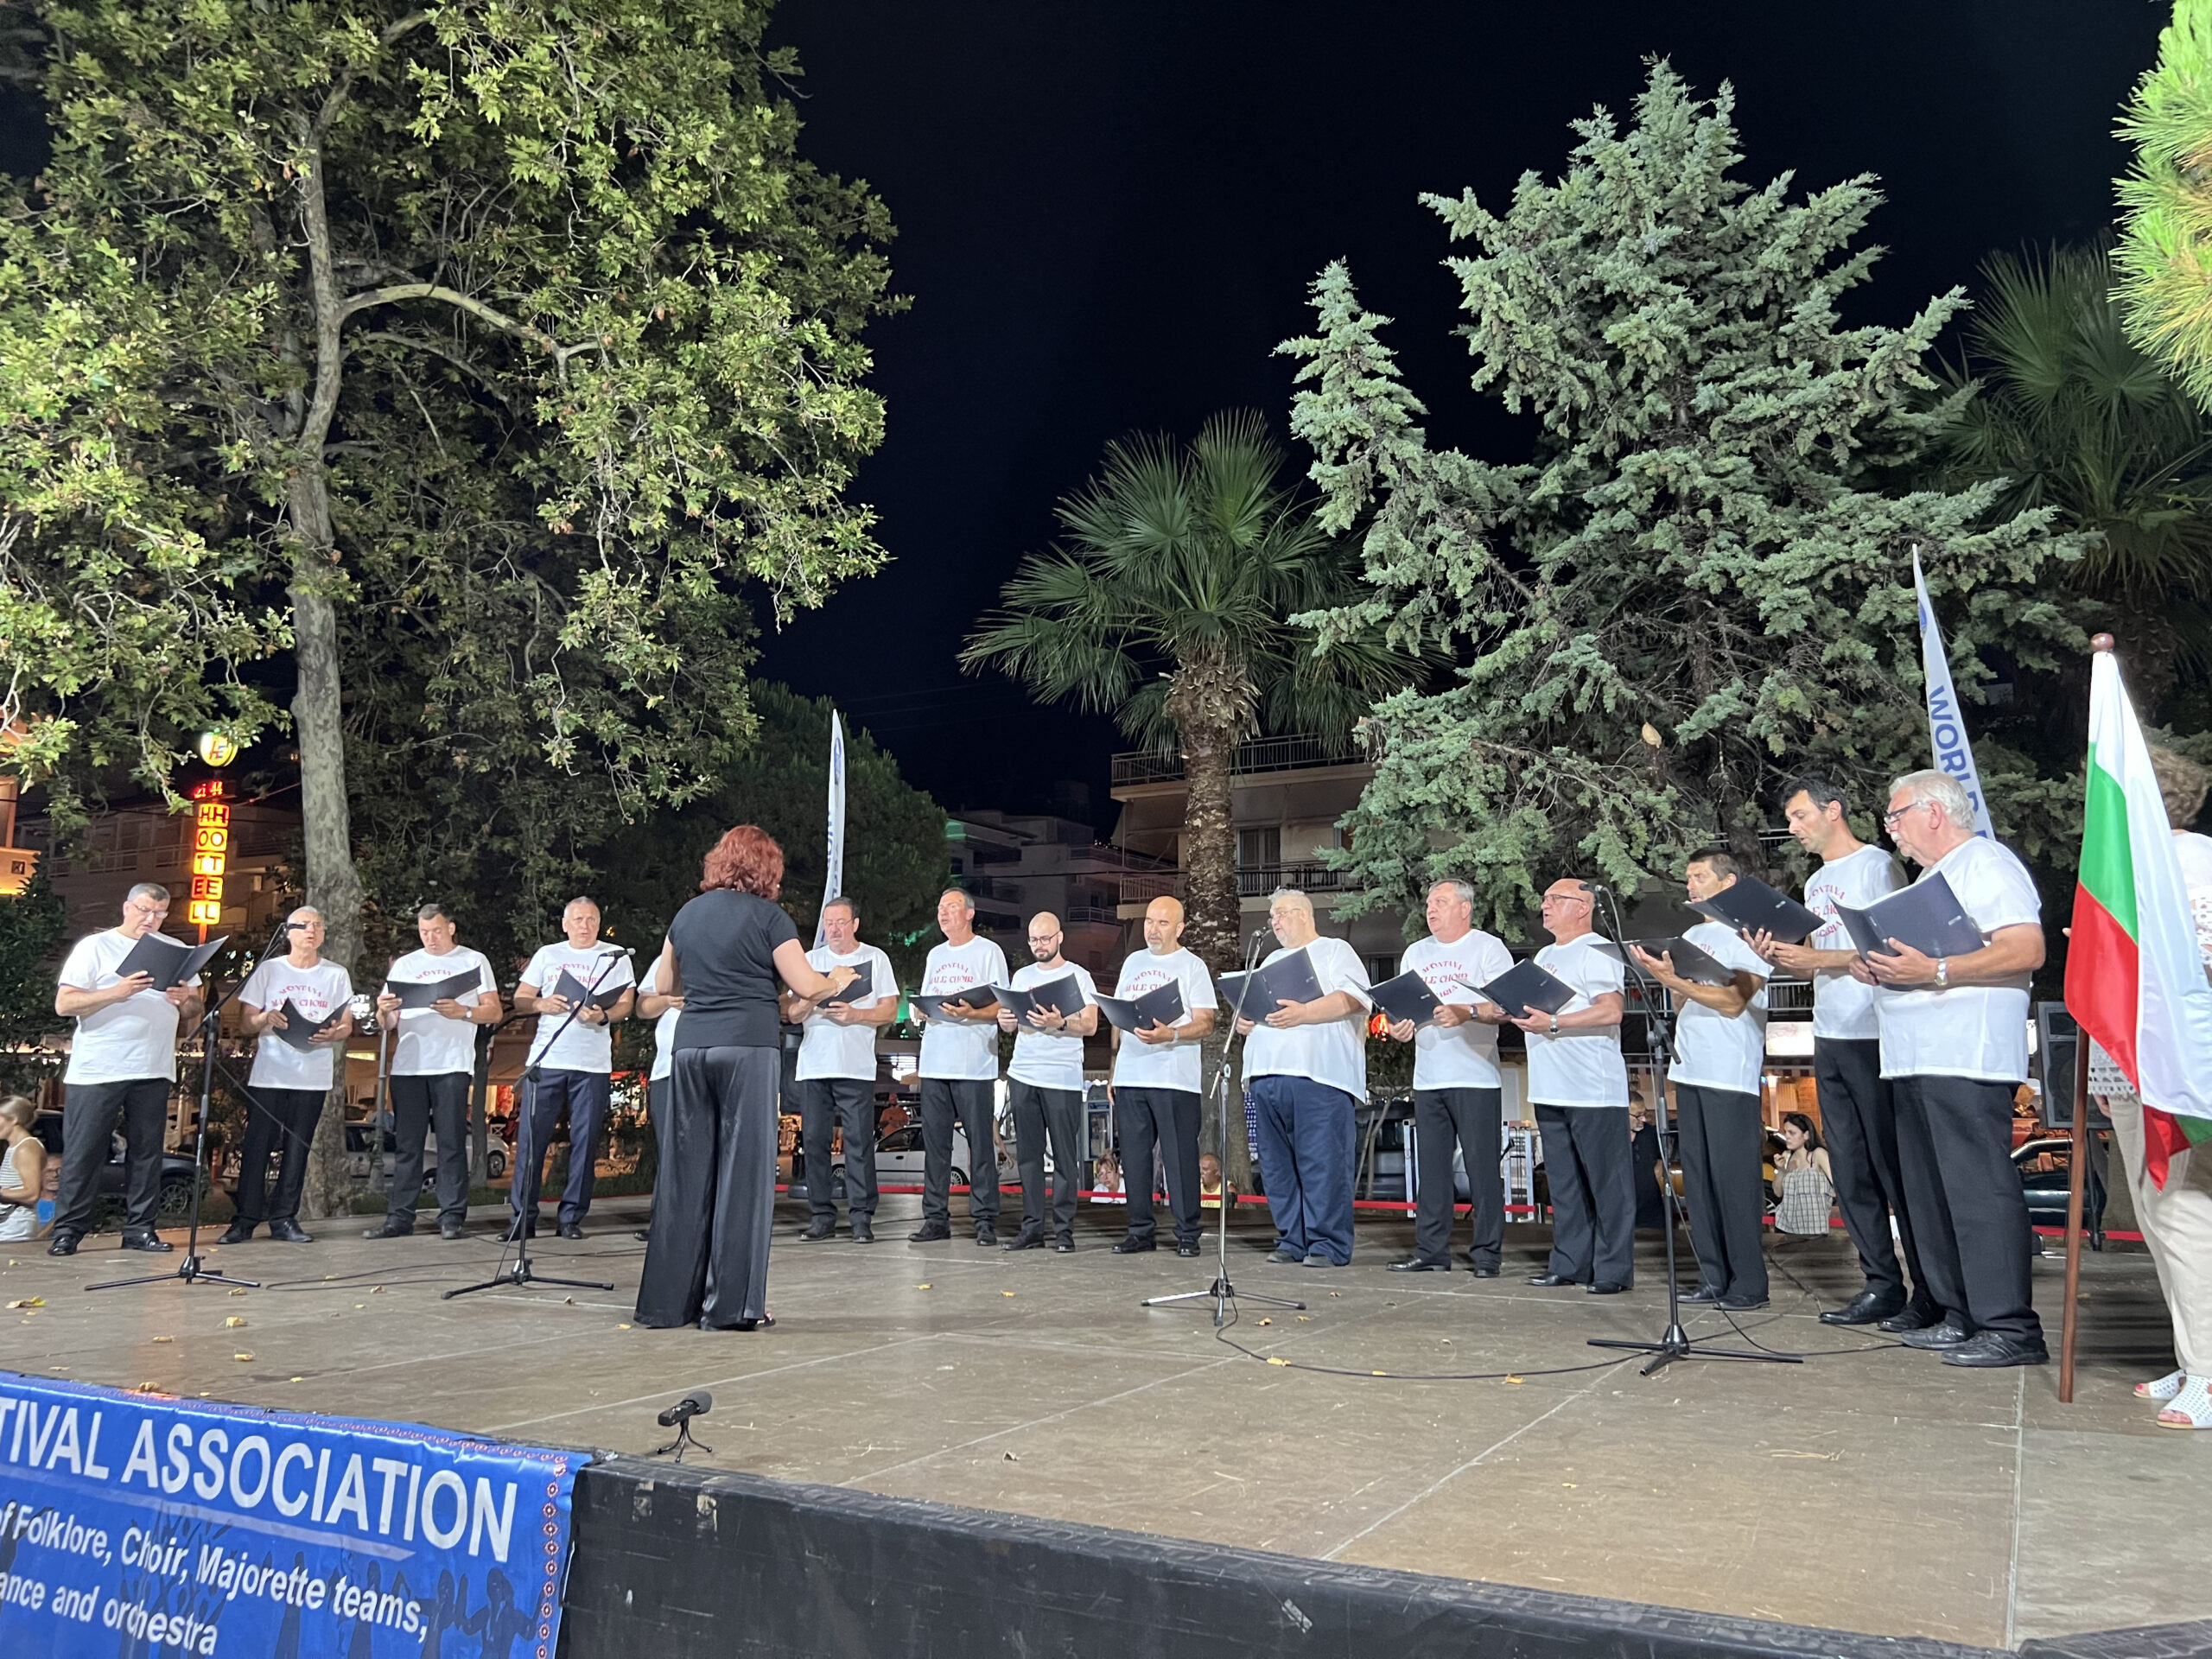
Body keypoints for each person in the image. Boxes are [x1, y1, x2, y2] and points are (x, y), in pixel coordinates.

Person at [1856, 769, 2049, 1367]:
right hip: (1915, 1057)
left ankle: (2010, 1327)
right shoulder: (1929, 880)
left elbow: (2027, 948)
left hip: (1967, 1055)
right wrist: (1881, 965)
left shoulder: (1986, 863)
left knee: (1976, 1193)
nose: (1891, 830)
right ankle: (1958, 1313)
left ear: (1934, 812)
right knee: (1931, 1196)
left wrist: (1935, 971)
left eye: (1896, 816)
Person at [633, 825, 855, 1330]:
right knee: (743, 1176)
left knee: (685, 1174)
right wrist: (835, 981)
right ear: (767, 869)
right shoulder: (770, 918)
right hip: (746, 1049)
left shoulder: (687, 914)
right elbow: (805, 985)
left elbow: (664, 983)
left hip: (690, 1048)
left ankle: (666, 1305)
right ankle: (731, 1308)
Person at [1751, 776, 1933, 1328]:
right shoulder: (1816, 882)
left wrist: (1817, 960)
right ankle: (1880, 1284)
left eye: (1801, 815)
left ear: (1833, 810)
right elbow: (1817, 958)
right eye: (1790, 819)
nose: (1793, 827)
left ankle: (1930, 1290)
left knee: (1891, 1169)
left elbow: (1888, 948)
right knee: (1850, 1169)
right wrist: (1780, 954)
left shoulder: (1877, 866)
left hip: (1874, 1032)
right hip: (1828, 1032)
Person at [2093, 747, 2212, 1428]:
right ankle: (2192, 1356)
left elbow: (2195, 963)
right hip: (2136, 1064)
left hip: (2183, 1067)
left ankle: (2209, 1370)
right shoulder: (2135, 870)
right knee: (2155, 1214)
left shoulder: (2192, 863)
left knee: (2184, 1212)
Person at [1632, 853, 1772, 1309]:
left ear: (1728, 882)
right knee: (1698, 1177)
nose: (1690, 884)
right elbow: (1682, 1003)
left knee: (1734, 1180)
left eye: (1699, 876)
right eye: (1688, 877)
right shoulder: (1692, 936)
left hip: (1729, 1072)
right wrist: (1669, 982)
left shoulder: (1746, 934)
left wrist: (1677, 981)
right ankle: (1712, 1274)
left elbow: (1734, 1001)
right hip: (1689, 1067)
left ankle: (1748, 1282)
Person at [49, 884, 206, 1256]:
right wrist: (116, 993)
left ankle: (140, 1229)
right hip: (98, 1068)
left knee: (147, 1153)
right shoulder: (95, 947)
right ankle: (69, 1230)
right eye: (143, 910)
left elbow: (195, 1007)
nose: (150, 919)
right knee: (85, 1152)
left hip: (153, 1066)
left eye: (159, 913)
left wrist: (184, 999)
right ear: (126, 908)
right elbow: (64, 1004)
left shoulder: (176, 950)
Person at [1383, 879, 1514, 1276]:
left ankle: (1487, 1254)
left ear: (1465, 908)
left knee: (1481, 1169)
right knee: (1432, 1170)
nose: (1431, 909)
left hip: (1476, 1076)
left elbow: (1506, 1008)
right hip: (1428, 1077)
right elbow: (1400, 1009)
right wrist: (1398, 1027)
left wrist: (1466, 1011)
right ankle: (1430, 1251)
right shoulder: (1416, 953)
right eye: (1429, 903)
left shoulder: (1488, 948)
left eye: (1440, 902)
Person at [1237, 889, 1372, 1268]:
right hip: (1266, 1075)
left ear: (1304, 914)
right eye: (1272, 916)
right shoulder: (1269, 961)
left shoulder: (1334, 951)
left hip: (1319, 1075)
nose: (1275, 922)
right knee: (1276, 1166)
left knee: (1323, 1162)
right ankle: (1291, 1239)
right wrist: (1246, 1020)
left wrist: (1305, 1013)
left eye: (1281, 914)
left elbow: (1356, 999)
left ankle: (1327, 1243)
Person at [1516, 878, 1634, 1294]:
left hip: (1592, 1088)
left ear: (1583, 907)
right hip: (1549, 1085)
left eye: (1556, 899)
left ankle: (1613, 1270)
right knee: (1564, 1184)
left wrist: (1553, 1022)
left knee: (1607, 1184)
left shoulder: (1598, 950)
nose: (1545, 905)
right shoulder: (1545, 955)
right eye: (1544, 899)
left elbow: (1611, 1011)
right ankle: (1569, 1263)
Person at [220, 906, 355, 1244]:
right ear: (288, 932)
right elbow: (245, 1022)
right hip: (271, 1074)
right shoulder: (270, 970)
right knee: (257, 1147)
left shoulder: (336, 974)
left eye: (318, 926)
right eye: (304, 925)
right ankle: (245, 1220)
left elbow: (346, 1025)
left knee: (298, 1149)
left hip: (313, 1075)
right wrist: (265, 1018)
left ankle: (284, 1218)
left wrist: (334, 1033)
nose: (312, 931)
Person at [368, 903, 502, 1242]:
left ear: (451, 928)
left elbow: (494, 1011)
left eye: (437, 931)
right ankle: (400, 1217)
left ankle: (452, 1216)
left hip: (451, 1063)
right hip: (409, 1065)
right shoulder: (406, 964)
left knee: (451, 1142)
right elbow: (388, 1023)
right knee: (407, 1145)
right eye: (424, 932)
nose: (430, 938)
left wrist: (463, 1011)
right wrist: (382, 1011)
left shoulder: (473, 960)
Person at [511, 898, 635, 1240]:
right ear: (565, 924)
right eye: (578, 919)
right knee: (531, 1141)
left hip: (592, 1064)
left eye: (591, 919)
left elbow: (627, 1003)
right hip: (547, 1060)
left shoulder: (615, 956)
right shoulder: (548, 955)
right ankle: (522, 1218)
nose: (585, 925)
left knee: (585, 1141)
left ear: (599, 923)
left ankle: (571, 1218)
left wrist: (604, 1015)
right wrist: (541, 1003)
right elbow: (521, 998)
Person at [1105, 896, 1219, 1259]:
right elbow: (1119, 1019)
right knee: (1135, 1159)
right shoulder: (1133, 963)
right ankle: (1140, 1231)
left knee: (1180, 1158)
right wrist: (1113, 1069)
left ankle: (1187, 1233)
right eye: (1149, 922)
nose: (1153, 929)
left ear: (1180, 928)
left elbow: (1206, 1022)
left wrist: (1171, 1034)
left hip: (1175, 1079)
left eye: (1163, 923)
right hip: (1132, 1076)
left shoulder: (1192, 966)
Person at [782, 895, 897, 1243]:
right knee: (814, 1142)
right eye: (828, 923)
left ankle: (862, 1217)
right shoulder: (810, 961)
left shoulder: (875, 958)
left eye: (840, 922)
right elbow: (792, 1013)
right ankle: (821, 1216)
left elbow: (890, 1010)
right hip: (814, 1065)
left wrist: (856, 1014)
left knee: (858, 1143)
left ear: (855, 924)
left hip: (855, 1066)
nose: (833, 929)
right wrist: (816, 995)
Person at [908, 889, 1009, 1246]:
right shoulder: (935, 955)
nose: (943, 913)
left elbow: (1003, 1006)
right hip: (935, 1063)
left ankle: (984, 1219)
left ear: (969, 913)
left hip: (974, 1065)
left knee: (980, 1145)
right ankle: (935, 1218)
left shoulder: (988, 952)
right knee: (936, 1147)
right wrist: (920, 1011)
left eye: (951, 907)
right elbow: (925, 1000)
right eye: (940, 908)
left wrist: (973, 1013)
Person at [995, 912, 1099, 1253]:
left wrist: (1060, 1023)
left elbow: (1090, 1025)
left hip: (1062, 1077)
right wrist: (1005, 1019)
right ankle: (1032, 1228)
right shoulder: (1022, 976)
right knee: (1028, 1156)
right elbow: (1010, 1025)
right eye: (1033, 940)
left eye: (1045, 939)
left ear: (1059, 937)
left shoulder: (1078, 976)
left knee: (1065, 1158)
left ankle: (1064, 1230)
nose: (1039, 945)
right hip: (1023, 1074)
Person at [632, 952, 684, 1243]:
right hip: (667, 1070)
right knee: (669, 1150)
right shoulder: (669, 958)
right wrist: (668, 1000)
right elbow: (643, 1007)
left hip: (712, 1067)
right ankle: (665, 1223)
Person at [1771, 1113, 1836, 1236]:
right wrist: (1781, 1170)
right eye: (1785, 1132)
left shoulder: (1818, 1155)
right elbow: (1778, 1193)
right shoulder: (1786, 1156)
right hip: (1785, 1227)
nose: (1787, 1136)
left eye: (1792, 1133)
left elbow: (1837, 1186)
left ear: (1806, 1135)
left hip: (1814, 1229)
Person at [0, 1095, 46, 1243]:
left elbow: (32, 1193)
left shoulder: (26, 1148)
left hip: (15, 1225)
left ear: (14, 1119)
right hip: (9, 1221)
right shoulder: (15, 1147)